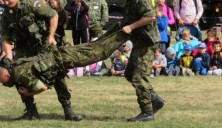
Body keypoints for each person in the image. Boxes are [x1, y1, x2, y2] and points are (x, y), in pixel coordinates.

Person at [0, 0, 80, 121]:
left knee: (56, 74)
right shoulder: (6, 14)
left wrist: (51, 35)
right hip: (23, 48)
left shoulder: (32, 4)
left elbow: (53, 15)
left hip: (42, 44)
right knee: (18, 74)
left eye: (8, 0)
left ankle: (68, 110)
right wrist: (7, 55)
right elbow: (6, 37)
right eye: (3, 1)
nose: (6, 3)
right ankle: (31, 112)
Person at [0, 30, 130, 107]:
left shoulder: (20, 75)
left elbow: (43, 87)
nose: (3, 84)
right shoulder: (13, 66)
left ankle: (125, 33)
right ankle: (121, 30)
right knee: (95, 47)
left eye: (2, 81)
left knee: (99, 52)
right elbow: (5, 56)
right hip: (60, 55)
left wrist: (28, 93)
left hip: (65, 58)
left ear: (6, 76)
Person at [115, 0, 164, 122]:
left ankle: (147, 112)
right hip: (140, 41)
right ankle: (155, 99)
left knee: (138, 77)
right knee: (129, 74)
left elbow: (150, 16)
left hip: (147, 42)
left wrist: (131, 27)